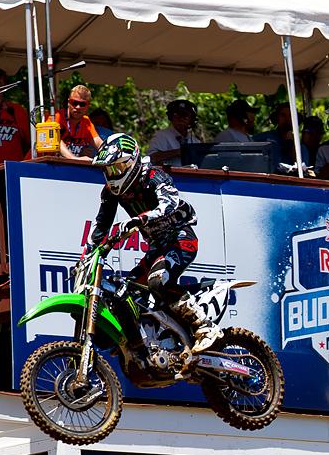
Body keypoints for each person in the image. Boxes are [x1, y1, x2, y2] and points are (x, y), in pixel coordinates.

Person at [90, 133, 220, 354]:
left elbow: (170, 202)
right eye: (108, 170)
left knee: (157, 282)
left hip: (180, 239)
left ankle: (204, 327)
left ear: (130, 163)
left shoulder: (153, 175)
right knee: (124, 292)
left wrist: (139, 219)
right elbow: (101, 226)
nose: (112, 176)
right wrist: (88, 256)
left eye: (116, 169)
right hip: (156, 248)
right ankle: (142, 341)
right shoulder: (110, 192)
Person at [148, 99, 204, 167]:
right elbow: (151, 158)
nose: (181, 118)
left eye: (185, 115)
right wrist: (178, 152)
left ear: (192, 120)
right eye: (176, 114)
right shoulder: (161, 136)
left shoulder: (195, 142)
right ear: (170, 117)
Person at [57, 85, 103, 160]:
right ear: (68, 102)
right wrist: (74, 158)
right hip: (41, 166)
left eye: (82, 104)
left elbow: (99, 143)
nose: (78, 107)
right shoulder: (57, 117)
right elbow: (56, 140)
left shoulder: (86, 122)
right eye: (74, 103)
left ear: (88, 106)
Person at [254, 102, 299, 168]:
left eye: (290, 116)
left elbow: (299, 166)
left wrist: (292, 144)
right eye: (283, 115)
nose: (287, 119)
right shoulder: (265, 137)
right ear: (276, 118)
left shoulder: (298, 144)